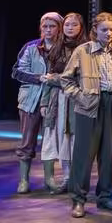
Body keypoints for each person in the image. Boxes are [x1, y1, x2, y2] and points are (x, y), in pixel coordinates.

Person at [61, 12, 112, 218]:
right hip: (88, 105)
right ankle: (78, 199)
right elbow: (66, 79)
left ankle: (105, 197)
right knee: (84, 154)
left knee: (107, 154)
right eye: (104, 30)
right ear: (95, 31)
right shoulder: (83, 51)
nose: (108, 33)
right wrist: (80, 97)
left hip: (110, 104)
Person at [11, 12, 63, 194]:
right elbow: (17, 72)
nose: (48, 30)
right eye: (45, 26)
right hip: (30, 101)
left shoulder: (63, 48)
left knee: (50, 141)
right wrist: (39, 78)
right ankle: (24, 180)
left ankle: (49, 178)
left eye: (52, 26)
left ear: (59, 28)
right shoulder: (31, 47)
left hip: (54, 101)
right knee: (27, 141)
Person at [40, 12, 88, 194]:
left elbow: (80, 77)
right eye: (67, 24)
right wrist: (44, 103)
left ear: (80, 27)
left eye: (74, 25)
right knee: (61, 139)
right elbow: (47, 76)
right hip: (57, 100)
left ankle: (77, 180)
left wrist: (55, 79)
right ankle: (67, 179)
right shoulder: (57, 47)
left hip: (76, 99)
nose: (69, 28)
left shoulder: (86, 49)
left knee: (75, 139)